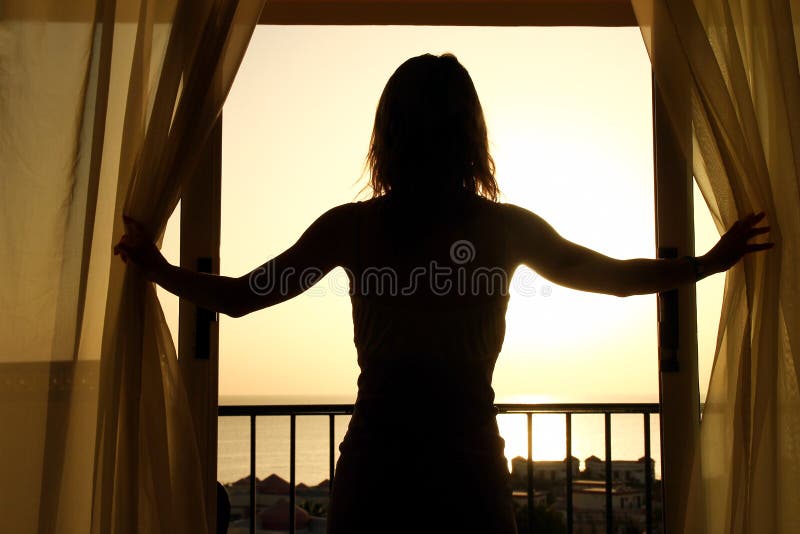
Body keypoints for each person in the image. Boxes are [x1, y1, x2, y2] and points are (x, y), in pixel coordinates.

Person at [114, 53, 772, 533]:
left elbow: (240, 297)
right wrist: (706, 265)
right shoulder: (503, 230)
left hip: (384, 466)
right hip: (465, 464)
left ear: (388, 134)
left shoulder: (355, 228)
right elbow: (611, 279)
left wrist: (158, 268)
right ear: (470, 135)